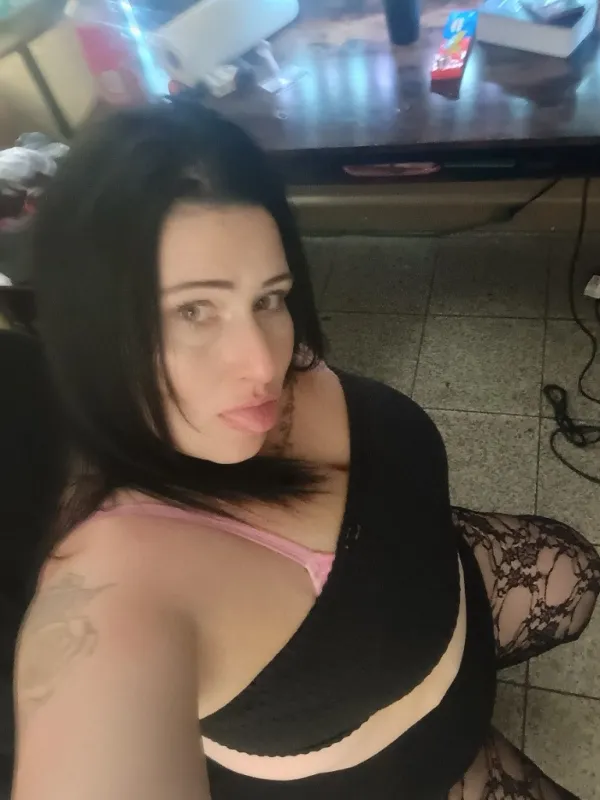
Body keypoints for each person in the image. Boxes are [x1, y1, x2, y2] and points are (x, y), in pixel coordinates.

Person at [11, 101, 600, 800]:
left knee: (574, 576)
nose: (263, 363)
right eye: (194, 311)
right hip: (405, 769)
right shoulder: (114, 599)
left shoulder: (260, 366)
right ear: (95, 327)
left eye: (269, 297)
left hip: (433, 598)